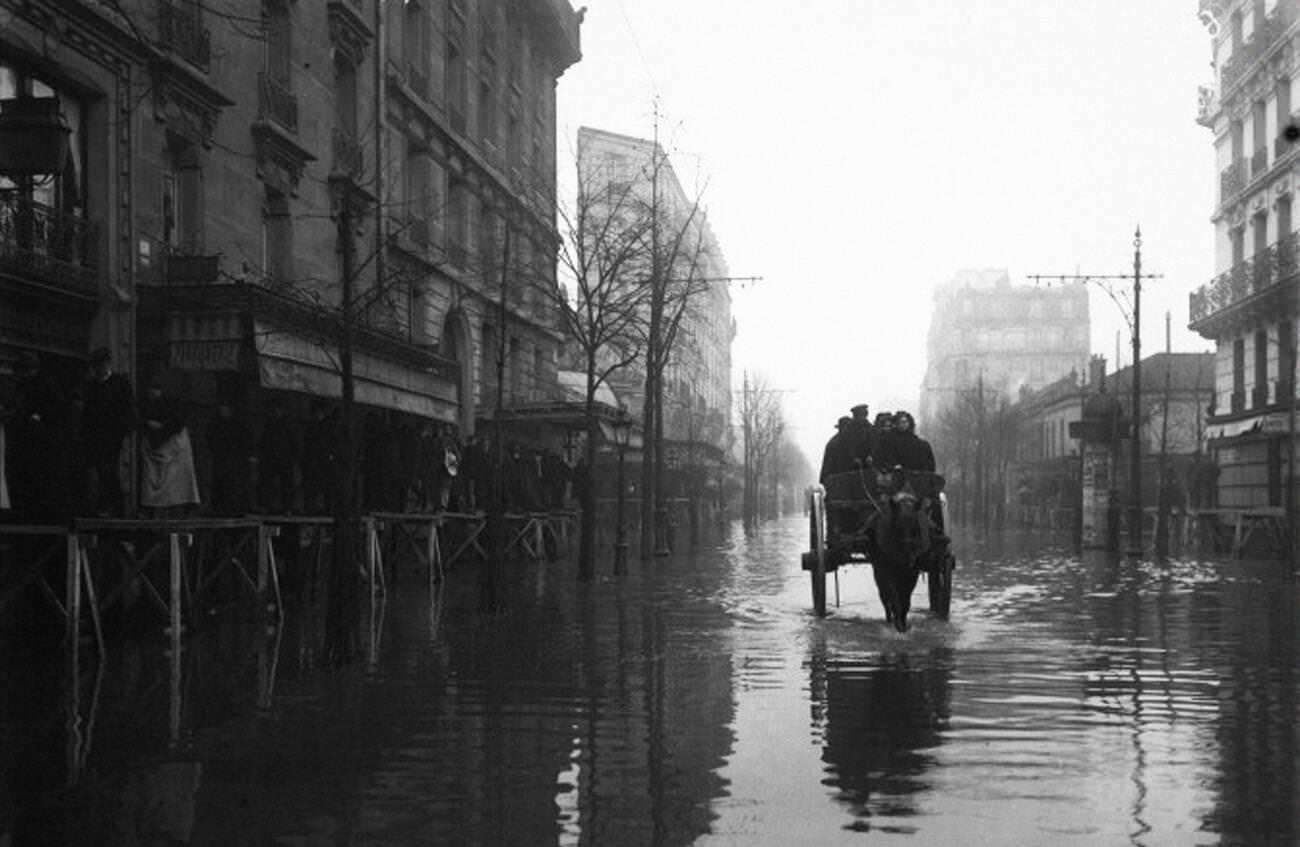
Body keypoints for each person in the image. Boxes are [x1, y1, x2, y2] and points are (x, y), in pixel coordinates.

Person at [9, 351, 70, 522]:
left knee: (37, 486)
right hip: (34, 445)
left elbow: (57, 415)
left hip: (40, 446)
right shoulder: (32, 386)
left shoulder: (42, 387)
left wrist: (38, 419)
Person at [81, 347, 135, 516]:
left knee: (109, 470)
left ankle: (112, 507)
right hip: (94, 437)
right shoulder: (90, 386)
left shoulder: (120, 384)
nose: (98, 369)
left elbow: (129, 410)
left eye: (101, 365)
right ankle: (101, 507)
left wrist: (125, 432)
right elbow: (87, 413)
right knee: (98, 471)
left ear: (107, 364)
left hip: (113, 437)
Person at [138, 380, 200, 516]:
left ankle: (179, 505)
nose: (152, 393)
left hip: (173, 445)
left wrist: (161, 428)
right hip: (156, 445)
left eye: (155, 390)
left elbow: (177, 421)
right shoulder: (146, 404)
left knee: (177, 479)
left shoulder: (173, 404)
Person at [206, 401, 255, 515]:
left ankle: (235, 508)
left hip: (236, 461)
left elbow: (247, 441)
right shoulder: (215, 425)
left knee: (235, 485)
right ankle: (220, 508)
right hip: (222, 459)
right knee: (221, 483)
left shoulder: (239, 425)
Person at [257, 399, 299, 513]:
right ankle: (266, 505)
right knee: (266, 482)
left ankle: (287, 507)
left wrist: (293, 457)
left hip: (284, 458)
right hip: (270, 458)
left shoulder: (287, 425)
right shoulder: (268, 425)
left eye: (277, 409)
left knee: (286, 483)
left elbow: (294, 442)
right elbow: (263, 441)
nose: (275, 411)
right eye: (272, 409)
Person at [818, 416, 857, 485]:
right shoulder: (833, 444)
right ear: (841, 428)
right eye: (847, 427)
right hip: (837, 481)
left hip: (851, 481)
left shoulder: (853, 441)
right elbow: (828, 467)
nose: (849, 430)